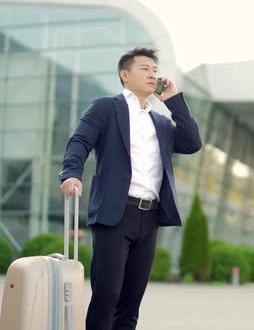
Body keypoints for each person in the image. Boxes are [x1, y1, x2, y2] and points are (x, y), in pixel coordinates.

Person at [59, 47, 202, 330]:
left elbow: (192, 142)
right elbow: (79, 141)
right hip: (115, 213)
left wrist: (174, 101)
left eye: (155, 70)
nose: (152, 74)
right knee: (107, 295)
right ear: (125, 75)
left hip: (149, 219)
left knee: (131, 302)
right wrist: (71, 174)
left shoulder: (160, 122)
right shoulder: (106, 108)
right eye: (144, 69)